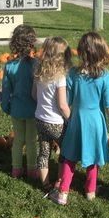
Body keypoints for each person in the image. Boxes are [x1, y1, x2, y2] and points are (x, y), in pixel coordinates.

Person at [49, 32, 109, 205]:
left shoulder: (73, 73)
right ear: (101, 53)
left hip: (76, 119)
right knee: (93, 157)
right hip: (95, 121)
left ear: (80, 52)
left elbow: (67, 101)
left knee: (69, 155)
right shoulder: (105, 76)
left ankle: (63, 191)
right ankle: (90, 191)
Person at [32, 37, 72, 191]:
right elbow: (62, 105)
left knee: (44, 152)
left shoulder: (39, 71)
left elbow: (34, 95)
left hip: (40, 118)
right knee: (64, 152)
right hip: (56, 122)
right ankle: (60, 181)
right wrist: (71, 118)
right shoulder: (60, 76)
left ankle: (45, 183)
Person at [1, 24, 39, 179]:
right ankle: (31, 169)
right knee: (31, 141)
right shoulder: (37, 65)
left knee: (17, 140)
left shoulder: (9, 66)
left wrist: (6, 106)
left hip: (16, 109)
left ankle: (16, 169)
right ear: (32, 44)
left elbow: (6, 90)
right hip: (33, 110)